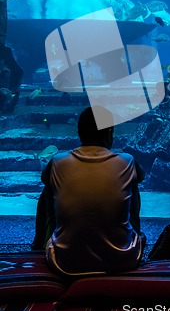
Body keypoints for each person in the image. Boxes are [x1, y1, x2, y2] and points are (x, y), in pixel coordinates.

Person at [32, 105, 146, 276]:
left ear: (79, 132)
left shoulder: (57, 162)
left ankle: (39, 243)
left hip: (64, 261)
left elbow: (45, 182)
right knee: (132, 185)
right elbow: (141, 176)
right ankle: (133, 235)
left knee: (49, 188)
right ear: (109, 133)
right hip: (123, 260)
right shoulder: (127, 161)